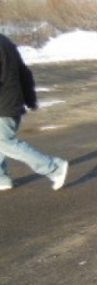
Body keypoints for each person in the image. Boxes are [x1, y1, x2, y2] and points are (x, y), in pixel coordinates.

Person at [0, 33, 68, 191]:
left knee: (4, 141)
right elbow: (24, 73)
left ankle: (53, 167)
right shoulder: (5, 42)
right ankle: (2, 179)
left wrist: (29, 100)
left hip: (4, 105)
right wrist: (30, 99)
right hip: (11, 103)